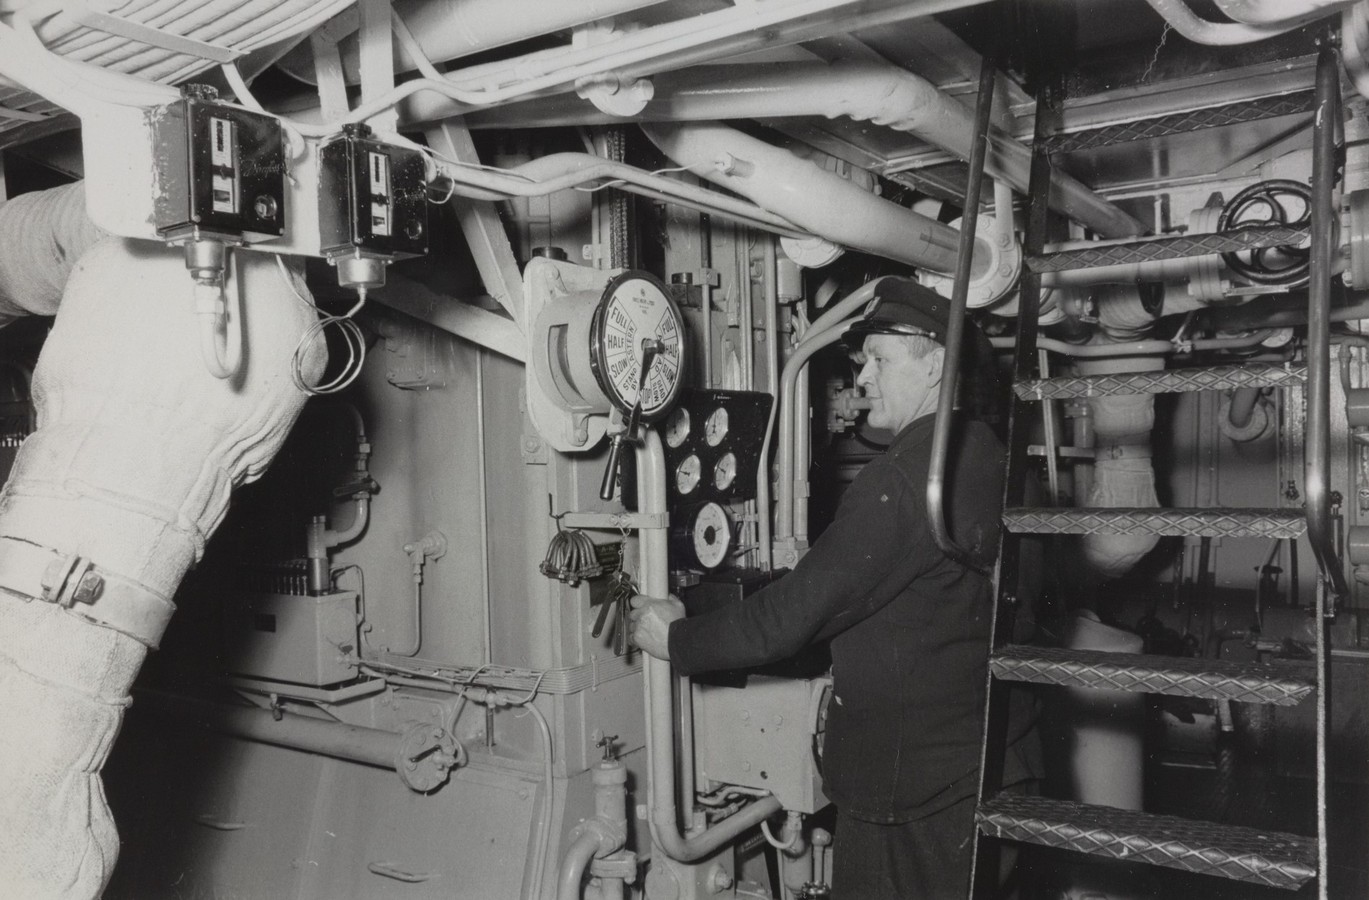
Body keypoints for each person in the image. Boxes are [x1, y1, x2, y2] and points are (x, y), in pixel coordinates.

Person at [629, 277, 1014, 900]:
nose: (861, 379)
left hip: (908, 791)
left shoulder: (905, 478)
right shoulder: (985, 453)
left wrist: (675, 638)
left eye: (879, 360)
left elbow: (789, 618)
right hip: (974, 763)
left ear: (936, 363)